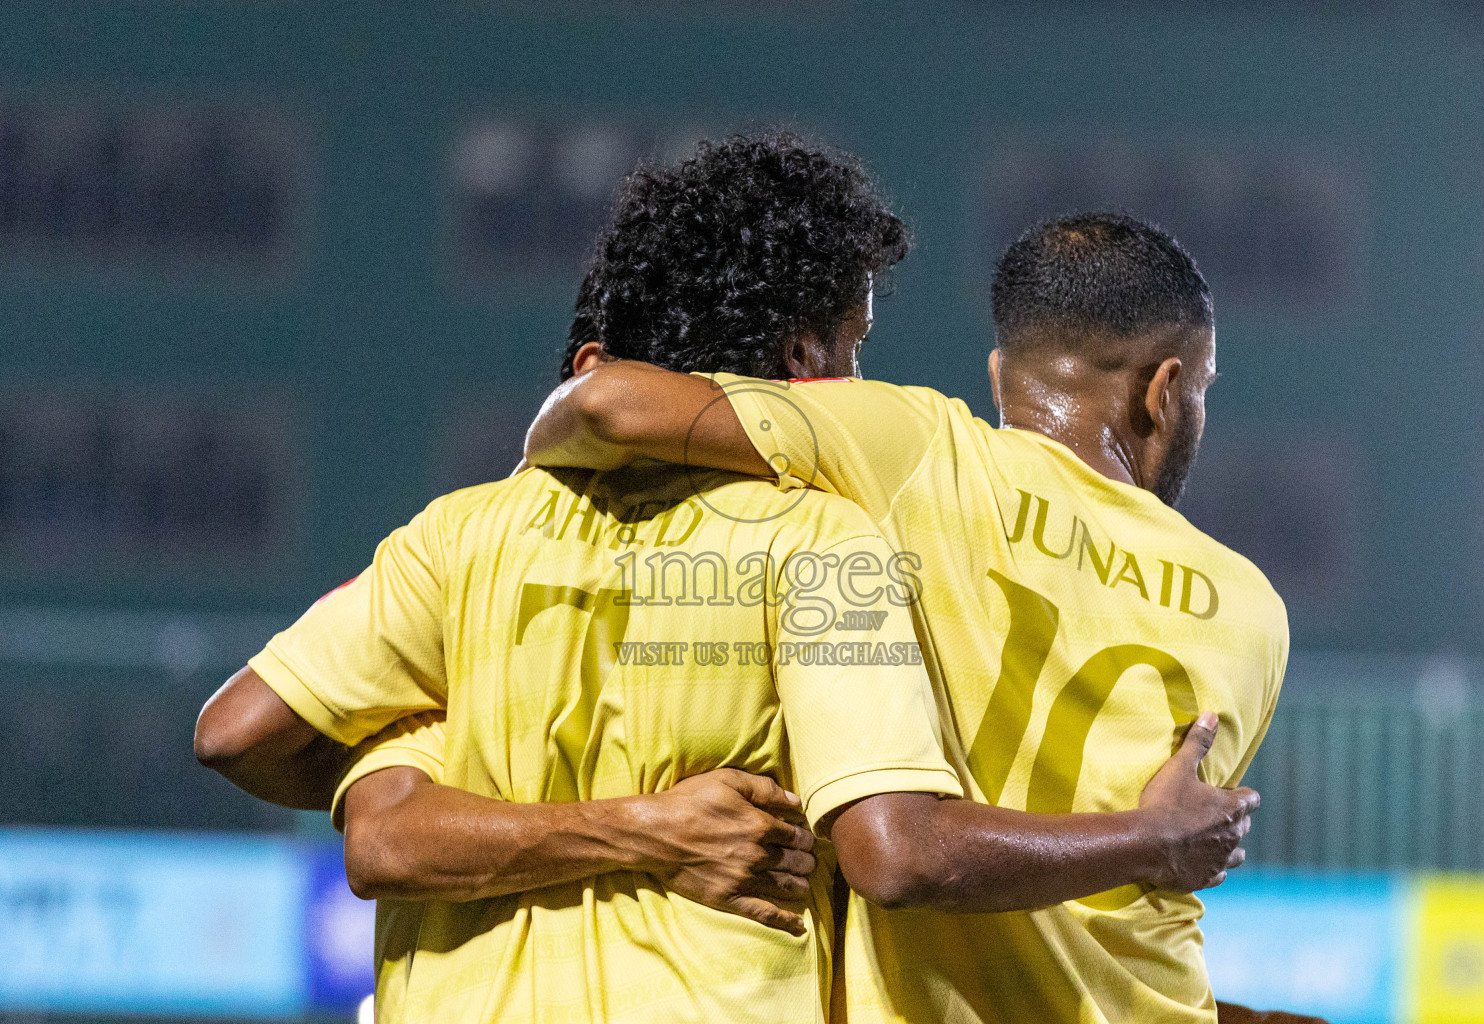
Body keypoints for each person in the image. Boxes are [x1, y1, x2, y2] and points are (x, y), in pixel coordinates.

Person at [196, 141, 1256, 1024]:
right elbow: (898, 847)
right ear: (800, 361)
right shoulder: (832, 548)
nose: (858, 385)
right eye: (852, 350)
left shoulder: (467, 536)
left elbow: (244, 736)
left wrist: (422, 766)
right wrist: (652, 830)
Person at [525, 211, 1291, 1024]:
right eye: (1203, 387)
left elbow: (602, 402)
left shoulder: (913, 448)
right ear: (1165, 389)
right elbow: (1150, 887)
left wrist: (513, 505)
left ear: (1002, 378)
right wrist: (1150, 841)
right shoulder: (1249, 605)